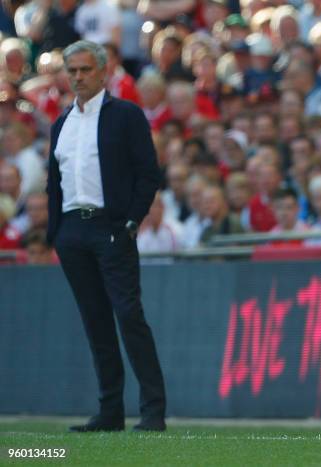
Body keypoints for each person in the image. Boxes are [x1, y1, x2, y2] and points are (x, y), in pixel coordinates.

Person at [46, 40, 166, 432]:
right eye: (73, 71)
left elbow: (149, 173)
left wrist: (131, 220)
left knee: (129, 316)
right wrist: (56, 232)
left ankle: (152, 411)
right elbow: (55, 183)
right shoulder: (61, 123)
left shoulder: (126, 115)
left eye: (85, 69)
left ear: (102, 71)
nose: (78, 77)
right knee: (95, 321)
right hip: (72, 230)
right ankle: (110, 411)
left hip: (111, 227)